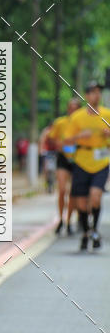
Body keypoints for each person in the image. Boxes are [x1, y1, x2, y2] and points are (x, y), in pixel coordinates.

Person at [64, 81, 110, 251]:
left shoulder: (107, 114)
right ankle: (85, 233)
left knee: (96, 196)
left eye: (98, 92)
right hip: (82, 161)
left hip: (101, 161)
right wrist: (78, 137)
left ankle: (95, 230)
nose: (96, 95)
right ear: (87, 96)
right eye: (92, 92)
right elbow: (66, 142)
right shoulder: (77, 118)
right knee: (82, 203)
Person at [47, 98, 79, 235]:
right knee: (62, 189)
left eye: (75, 108)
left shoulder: (82, 124)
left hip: (78, 158)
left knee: (73, 192)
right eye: (70, 108)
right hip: (62, 158)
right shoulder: (60, 122)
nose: (72, 110)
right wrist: (58, 143)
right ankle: (61, 219)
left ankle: (69, 220)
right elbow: (50, 137)